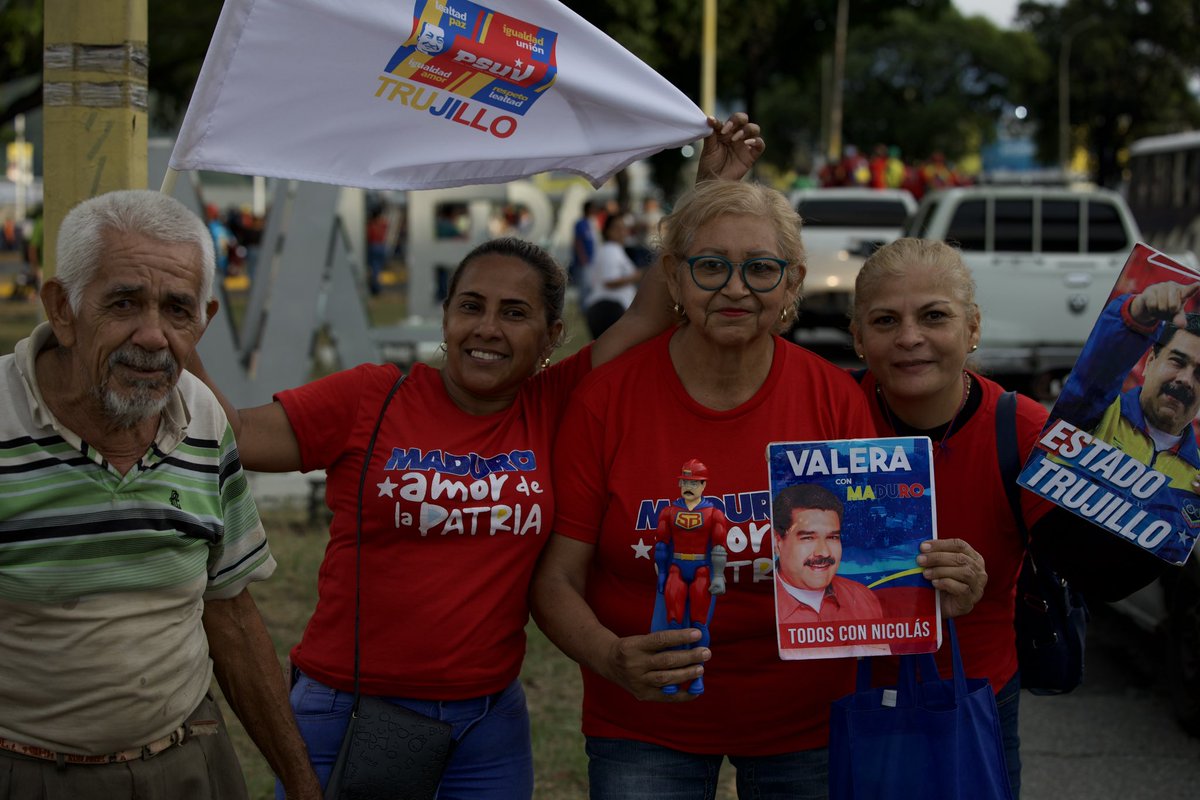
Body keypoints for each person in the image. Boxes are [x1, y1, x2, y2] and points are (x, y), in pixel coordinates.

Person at [191, 115, 766, 800]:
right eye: (471, 306)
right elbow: (226, 433)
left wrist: (705, 188)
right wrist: (174, 330)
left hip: (487, 725)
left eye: (514, 313)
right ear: (446, 318)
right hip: (346, 712)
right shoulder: (371, 396)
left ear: (551, 335)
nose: (487, 328)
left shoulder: (553, 404)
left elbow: (651, 312)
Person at [529, 182, 986, 798]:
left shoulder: (833, 399)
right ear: (674, 275)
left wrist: (935, 586)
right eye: (711, 266)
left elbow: (880, 570)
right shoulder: (606, 400)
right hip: (643, 719)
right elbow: (556, 578)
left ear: (793, 282)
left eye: (761, 269)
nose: (736, 288)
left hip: (805, 725)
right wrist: (611, 657)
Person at [0, 190, 320, 800]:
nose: (152, 336)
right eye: (123, 303)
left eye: (177, 310)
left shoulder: (201, 418)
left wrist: (301, 783)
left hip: (187, 766)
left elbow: (230, 612)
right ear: (62, 309)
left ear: (205, 321)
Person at [848, 237, 1167, 798]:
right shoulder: (822, 414)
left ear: (972, 329)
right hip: (835, 702)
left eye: (934, 316)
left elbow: (1106, 573)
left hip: (972, 699)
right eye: (884, 319)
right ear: (857, 337)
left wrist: (1166, 502)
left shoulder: (1019, 428)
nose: (909, 337)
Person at [1052, 280, 1200, 491]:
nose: (1186, 379)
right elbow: (1093, 375)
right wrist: (1137, 315)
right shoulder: (1090, 412)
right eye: (1177, 361)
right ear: (1150, 361)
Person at [652, 458, 728, 695]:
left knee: (698, 623)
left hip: (701, 570)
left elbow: (718, 548)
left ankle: (696, 674)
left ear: (704, 485)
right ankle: (672, 675)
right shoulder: (668, 511)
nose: (689, 486)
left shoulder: (714, 514)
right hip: (676, 567)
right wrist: (662, 574)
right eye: (685, 481)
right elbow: (662, 546)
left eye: (693, 482)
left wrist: (718, 576)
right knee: (673, 622)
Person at [771, 483, 884, 624]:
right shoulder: (759, 606)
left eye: (832, 537)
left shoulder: (862, 597)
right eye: (808, 538)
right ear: (777, 542)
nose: (823, 552)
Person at [585, 212, 642, 339]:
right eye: (618, 228)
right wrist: (637, 276)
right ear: (608, 231)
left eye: (624, 228)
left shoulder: (614, 250)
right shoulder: (611, 250)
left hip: (610, 309)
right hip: (609, 310)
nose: (623, 232)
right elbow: (610, 281)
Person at [569, 199, 603, 306]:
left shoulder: (593, 222)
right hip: (585, 261)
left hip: (594, 259)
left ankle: (590, 305)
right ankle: (583, 307)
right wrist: (583, 258)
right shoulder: (580, 223)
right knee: (584, 286)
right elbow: (578, 242)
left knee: (592, 285)